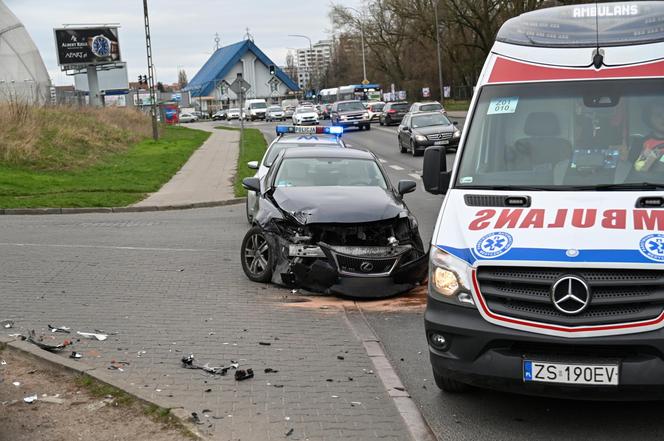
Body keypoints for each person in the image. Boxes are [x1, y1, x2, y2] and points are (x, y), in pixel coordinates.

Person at [633, 100, 664, 173]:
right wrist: (650, 158)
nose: (663, 118)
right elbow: (637, 170)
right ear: (648, 119)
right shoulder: (641, 143)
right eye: (658, 115)